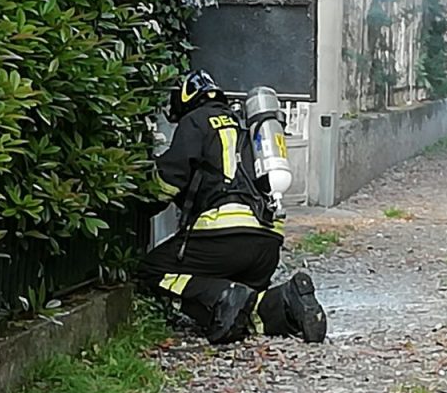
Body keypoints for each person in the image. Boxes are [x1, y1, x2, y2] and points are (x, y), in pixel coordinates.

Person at [137, 69, 328, 345]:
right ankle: (289, 302)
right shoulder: (246, 125)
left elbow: (170, 179)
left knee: (150, 271)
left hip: (223, 237)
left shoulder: (196, 121)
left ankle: (221, 296)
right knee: (248, 307)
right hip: (266, 243)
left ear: (185, 100)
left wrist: (138, 202)